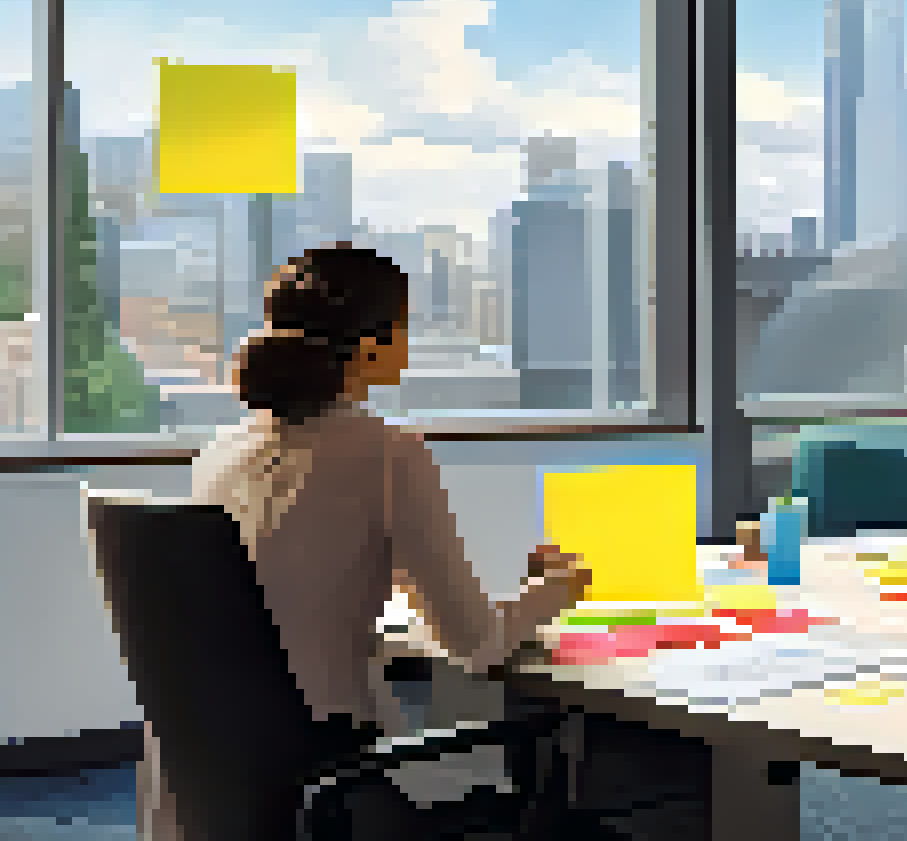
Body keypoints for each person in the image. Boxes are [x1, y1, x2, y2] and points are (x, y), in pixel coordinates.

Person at [142, 244, 594, 841]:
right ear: (371, 343)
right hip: (329, 776)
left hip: (214, 782)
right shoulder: (388, 454)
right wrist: (558, 590)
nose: (410, 342)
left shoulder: (222, 454)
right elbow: (477, 646)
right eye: (406, 325)